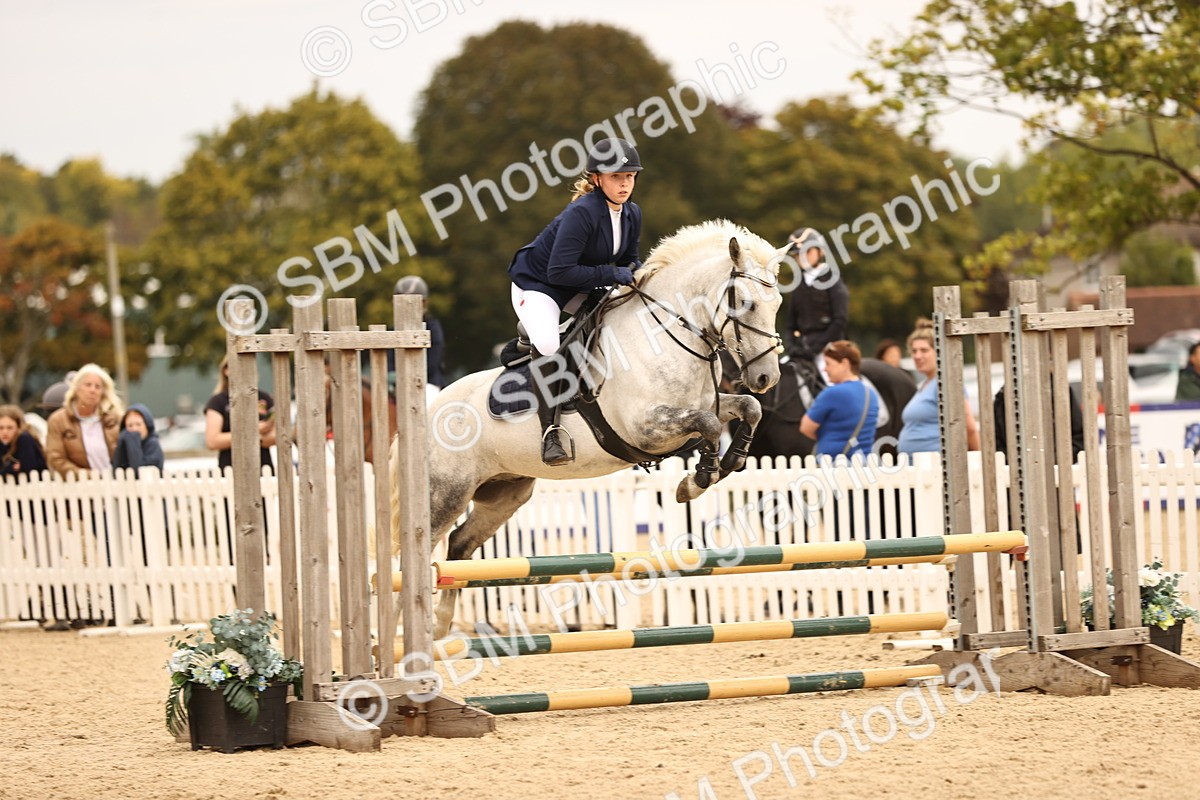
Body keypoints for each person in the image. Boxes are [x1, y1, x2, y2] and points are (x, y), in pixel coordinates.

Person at [507, 137, 644, 466]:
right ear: (597, 179)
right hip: (540, 285)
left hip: (580, 281)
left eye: (630, 176)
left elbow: (629, 259)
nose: (624, 183)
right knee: (550, 343)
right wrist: (612, 275)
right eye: (616, 177)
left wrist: (639, 272)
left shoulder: (632, 213)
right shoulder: (582, 213)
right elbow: (559, 271)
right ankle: (550, 431)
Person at [898, 319, 980, 455]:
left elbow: (969, 426)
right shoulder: (925, 384)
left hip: (937, 467)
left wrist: (978, 461)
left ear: (939, 352)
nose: (917, 356)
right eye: (914, 351)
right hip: (918, 467)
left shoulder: (945, 382)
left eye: (924, 350)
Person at [799, 341, 879, 457]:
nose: (825, 369)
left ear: (844, 363)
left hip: (833, 465)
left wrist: (828, 437)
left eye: (828, 364)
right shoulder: (871, 393)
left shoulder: (832, 393)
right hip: (864, 464)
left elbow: (805, 427)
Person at [44, 364, 123, 477]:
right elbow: (56, 458)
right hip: (79, 488)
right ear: (76, 388)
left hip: (116, 484)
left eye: (97, 387)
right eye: (88, 385)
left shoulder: (115, 418)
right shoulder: (58, 420)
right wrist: (85, 475)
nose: (92, 390)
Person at [785, 228, 849, 361]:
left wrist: (816, 349)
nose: (802, 258)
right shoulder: (798, 285)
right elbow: (791, 324)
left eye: (807, 252)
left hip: (830, 348)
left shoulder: (833, 280)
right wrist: (791, 347)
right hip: (803, 346)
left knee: (829, 377)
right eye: (797, 255)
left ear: (820, 251)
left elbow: (839, 320)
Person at [204, 357, 277, 472]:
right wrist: (253, 431)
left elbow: (277, 436)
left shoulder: (264, 397)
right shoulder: (218, 401)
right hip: (230, 468)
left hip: (263, 468)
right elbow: (212, 441)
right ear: (226, 371)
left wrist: (253, 436)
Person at [392, 275, 447, 390]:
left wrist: (404, 377)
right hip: (397, 384)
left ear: (424, 303)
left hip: (427, 383)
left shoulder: (433, 327)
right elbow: (389, 360)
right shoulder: (394, 329)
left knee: (430, 395)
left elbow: (431, 366)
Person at [113, 404, 165, 474]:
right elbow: (117, 470)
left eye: (138, 424)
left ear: (147, 425)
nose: (134, 429)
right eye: (130, 425)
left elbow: (139, 471)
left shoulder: (153, 444)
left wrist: (133, 441)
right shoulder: (125, 441)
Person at [0, 405, 48, 478]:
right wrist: (11, 468)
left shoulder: (24, 439)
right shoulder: (3, 444)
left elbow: (28, 468)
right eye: (1, 428)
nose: (5, 432)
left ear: (18, 426)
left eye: (10, 428)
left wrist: (10, 469)